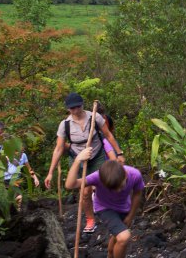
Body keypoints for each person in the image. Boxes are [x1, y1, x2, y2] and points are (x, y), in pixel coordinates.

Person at [44, 93, 125, 233]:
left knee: (105, 183)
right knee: (85, 191)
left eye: (78, 106)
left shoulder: (95, 117)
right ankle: (90, 219)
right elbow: (58, 149)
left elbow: (108, 135)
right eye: (72, 108)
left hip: (97, 155)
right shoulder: (65, 125)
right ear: (68, 109)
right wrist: (50, 173)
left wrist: (119, 153)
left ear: (82, 105)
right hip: (78, 158)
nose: (76, 110)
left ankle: (111, 210)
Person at [65, 147, 144, 258]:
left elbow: (138, 194)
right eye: (113, 189)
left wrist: (131, 215)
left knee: (117, 234)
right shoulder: (97, 176)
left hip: (124, 208)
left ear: (125, 175)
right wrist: (78, 160)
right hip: (104, 208)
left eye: (120, 187)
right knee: (124, 237)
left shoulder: (134, 175)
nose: (118, 191)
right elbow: (70, 185)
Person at [0, 122, 40, 210]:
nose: (1, 135)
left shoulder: (22, 155)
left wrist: (35, 178)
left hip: (11, 179)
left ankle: (16, 213)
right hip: (1, 178)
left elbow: (28, 168)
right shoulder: (0, 148)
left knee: (16, 197)